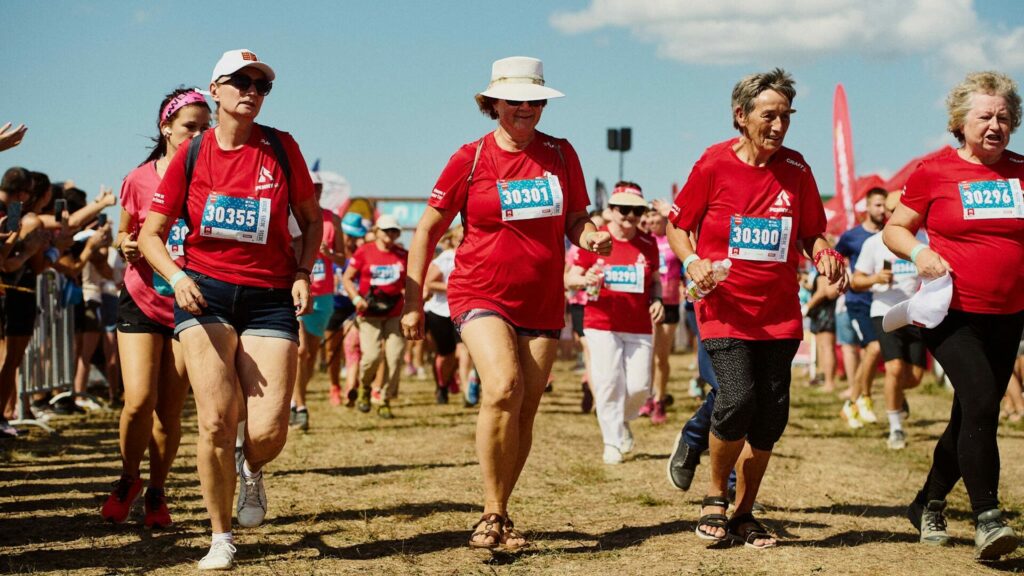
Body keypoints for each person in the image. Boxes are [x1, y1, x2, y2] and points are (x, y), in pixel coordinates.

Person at [401, 56, 609, 552]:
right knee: (502, 387)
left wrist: (592, 236)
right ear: (492, 102)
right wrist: (412, 300)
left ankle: (502, 509)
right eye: (515, 100)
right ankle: (491, 514)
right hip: (479, 289)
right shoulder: (469, 158)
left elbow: (575, 218)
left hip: (540, 298)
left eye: (535, 100)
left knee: (525, 408)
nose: (526, 108)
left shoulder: (560, 154)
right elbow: (428, 229)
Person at [138, 49, 321, 570]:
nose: (251, 91)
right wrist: (175, 277)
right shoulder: (193, 152)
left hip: (269, 296)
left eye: (260, 85)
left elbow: (310, 221)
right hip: (204, 292)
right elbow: (151, 234)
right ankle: (220, 537)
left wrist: (304, 272)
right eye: (239, 82)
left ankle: (251, 467)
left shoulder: (282, 148)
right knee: (216, 421)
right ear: (214, 90)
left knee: (268, 431)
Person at [668, 68, 845, 549]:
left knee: (771, 416)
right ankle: (714, 499)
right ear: (741, 116)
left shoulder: (798, 169)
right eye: (770, 115)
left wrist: (825, 254)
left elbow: (812, 233)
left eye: (786, 116)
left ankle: (746, 513)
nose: (779, 125)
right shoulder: (713, 164)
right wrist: (692, 261)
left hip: (779, 312)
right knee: (737, 396)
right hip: (724, 306)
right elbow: (678, 226)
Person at [883, 71, 1024, 560]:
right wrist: (918, 253)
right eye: (985, 116)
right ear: (960, 123)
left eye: (1005, 117)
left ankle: (928, 501)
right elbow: (895, 229)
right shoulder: (932, 171)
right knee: (984, 402)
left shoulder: (1022, 172)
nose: (995, 125)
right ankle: (989, 518)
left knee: (971, 413)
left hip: (1009, 314)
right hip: (951, 313)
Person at [101, 88, 210, 528]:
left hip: (192, 303)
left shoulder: (214, 179)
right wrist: (127, 245)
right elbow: (123, 233)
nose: (200, 134)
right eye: (190, 127)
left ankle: (157, 492)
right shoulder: (139, 178)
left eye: (206, 127)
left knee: (169, 412)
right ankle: (128, 477)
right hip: (143, 299)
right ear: (165, 128)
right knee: (138, 401)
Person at [567, 181, 662, 463]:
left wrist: (656, 299)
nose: (629, 216)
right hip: (600, 322)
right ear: (611, 211)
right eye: (623, 210)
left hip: (638, 325)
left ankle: (621, 422)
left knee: (639, 387)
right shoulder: (596, 238)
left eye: (635, 210)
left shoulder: (648, 243)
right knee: (608, 381)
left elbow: (655, 281)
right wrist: (584, 280)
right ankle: (611, 442)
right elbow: (569, 277)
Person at [853, 196, 925, 450]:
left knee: (915, 377)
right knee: (893, 368)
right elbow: (855, 281)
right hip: (884, 311)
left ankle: (896, 393)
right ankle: (896, 428)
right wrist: (874, 278)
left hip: (915, 312)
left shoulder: (923, 239)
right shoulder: (874, 243)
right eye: (892, 210)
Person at [289, 172, 343, 430]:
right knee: (300, 351)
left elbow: (344, 259)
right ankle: (300, 406)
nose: (317, 191)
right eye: (312, 187)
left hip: (324, 295)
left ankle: (297, 396)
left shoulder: (332, 219)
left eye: (320, 187)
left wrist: (330, 253)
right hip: (297, 289)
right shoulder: (291, 215)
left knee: (311, 355)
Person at [342, 214, 407, 418]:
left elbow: (411, 282)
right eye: (386, 230)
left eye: (394, 230)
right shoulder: (364, 252)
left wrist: (417, 299)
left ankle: (384, 398)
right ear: (376, 231)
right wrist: (355, 299)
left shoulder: (403, 254)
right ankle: (365, 386)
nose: (390, 234)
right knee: (371, 357)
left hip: (395, 312)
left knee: (395, 357)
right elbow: (347, 278)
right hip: (369, 313)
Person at [835, 187, 888, 426]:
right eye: (877, 205)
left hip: (883, 302)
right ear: (866, 207)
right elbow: (835, 257)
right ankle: (858, 400)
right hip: (858, 300)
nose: (882, 209)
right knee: (873, 349)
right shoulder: (852, 236)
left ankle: (858, 401)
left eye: (884, 205)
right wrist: (842, 280)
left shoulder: (890, 234)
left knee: (873, 352)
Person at [323, 212, 364, 406]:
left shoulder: (360, 254)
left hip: (353, 307)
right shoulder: (331, 253)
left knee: (354, 346)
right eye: (349, 235)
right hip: (333, 305)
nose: (351, 240)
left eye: (355, 236)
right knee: (332, 350)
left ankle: (352, 386)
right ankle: (334, 386)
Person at [645, 200, 680, 424]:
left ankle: (659, 399)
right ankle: (647, 397)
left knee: (661, 357)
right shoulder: (645, 241)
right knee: (647, 354)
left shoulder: (673, 239)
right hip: (649, 302)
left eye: (656, 220)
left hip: (671, 302)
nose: (652, 223)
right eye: (649, 220)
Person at [422, 225, 464, 404]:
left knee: (463, 351)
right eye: (460, 240)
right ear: (453, 240)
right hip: (440, 311)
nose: (463, 243)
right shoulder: (445, 258)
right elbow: (430, 283)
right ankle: (441, 386)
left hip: (463, 311)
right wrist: (454, 288)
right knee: (446, 354)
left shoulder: (476, 257)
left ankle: (468, 390)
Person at [804, 266, 840, 392]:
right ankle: (824, 379)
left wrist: (806, 307)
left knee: (827, 347)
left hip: (826, 313)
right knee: (821, 348)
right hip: (820, 313)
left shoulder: (826, 268)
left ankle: (830, 383)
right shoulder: (819, 269)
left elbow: (822, 291)